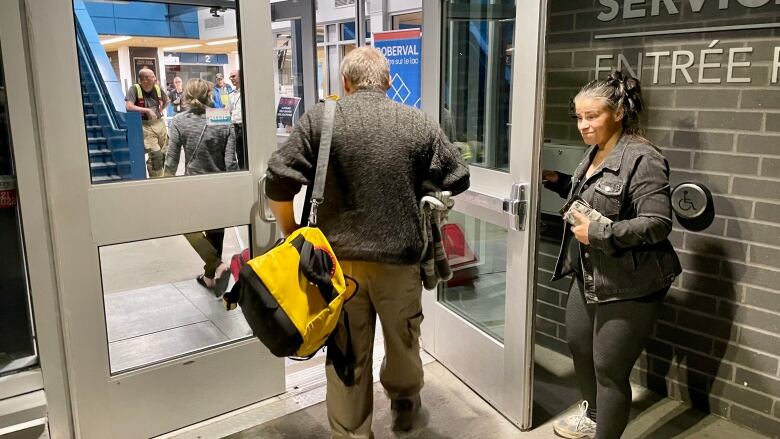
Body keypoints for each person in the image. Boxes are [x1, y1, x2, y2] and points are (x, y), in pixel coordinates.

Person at [265, 47, 470, 438]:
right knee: (404, 337)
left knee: (346, 353)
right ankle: (405, 406)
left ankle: (351, 433)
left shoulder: (321, 121)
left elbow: (278, 179)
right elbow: (457, 177)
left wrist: (291, 231)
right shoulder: (417, 123)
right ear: (389, 81)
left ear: (346, 82)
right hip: (400, 261)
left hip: (336, 267)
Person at [542, 71, 681, 439]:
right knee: (580, 349)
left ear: (618, 113)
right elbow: (594, 200)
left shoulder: (643, 157)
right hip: (590, 273)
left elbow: (657, 223)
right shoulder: (594, 151)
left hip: (631, 282)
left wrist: (600, 232)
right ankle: (593, 419)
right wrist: (558, 182)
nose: (583, 125)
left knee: (609, 370)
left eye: (593, 116)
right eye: (579, 117)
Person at [164, 78, 238, 296]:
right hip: (219, 185)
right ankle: (212, 274)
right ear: (210, 94)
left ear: (186, 96)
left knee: (185, 224)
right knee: (216, 230)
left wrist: (165, 183)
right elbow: (230, 161)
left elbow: (172, 159)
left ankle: (213, 270)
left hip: (193, 185)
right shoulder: (223, 117)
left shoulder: (178, 120)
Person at [125, 68, 170, 178]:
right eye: (152, 76)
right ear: (144, 79)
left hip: (160, 123)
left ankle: (161, 176)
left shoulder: (158, 88)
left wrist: (160, 110)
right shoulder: (134, 89)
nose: (155, 78)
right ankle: (157, 180)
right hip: (145, 125)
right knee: (156, 154)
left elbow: (167, 100)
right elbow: (128, 106)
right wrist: (147, 110)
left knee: (164, 153)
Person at [227, 69, 244, 169]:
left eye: (234, 76)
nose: (231, 79)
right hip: (235, 128)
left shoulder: (247, 93)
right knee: (239, 154)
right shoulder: (231, 95)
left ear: (240, 76)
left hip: (245, 127)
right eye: (230, 77)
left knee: (248, 154)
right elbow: (227, 111)